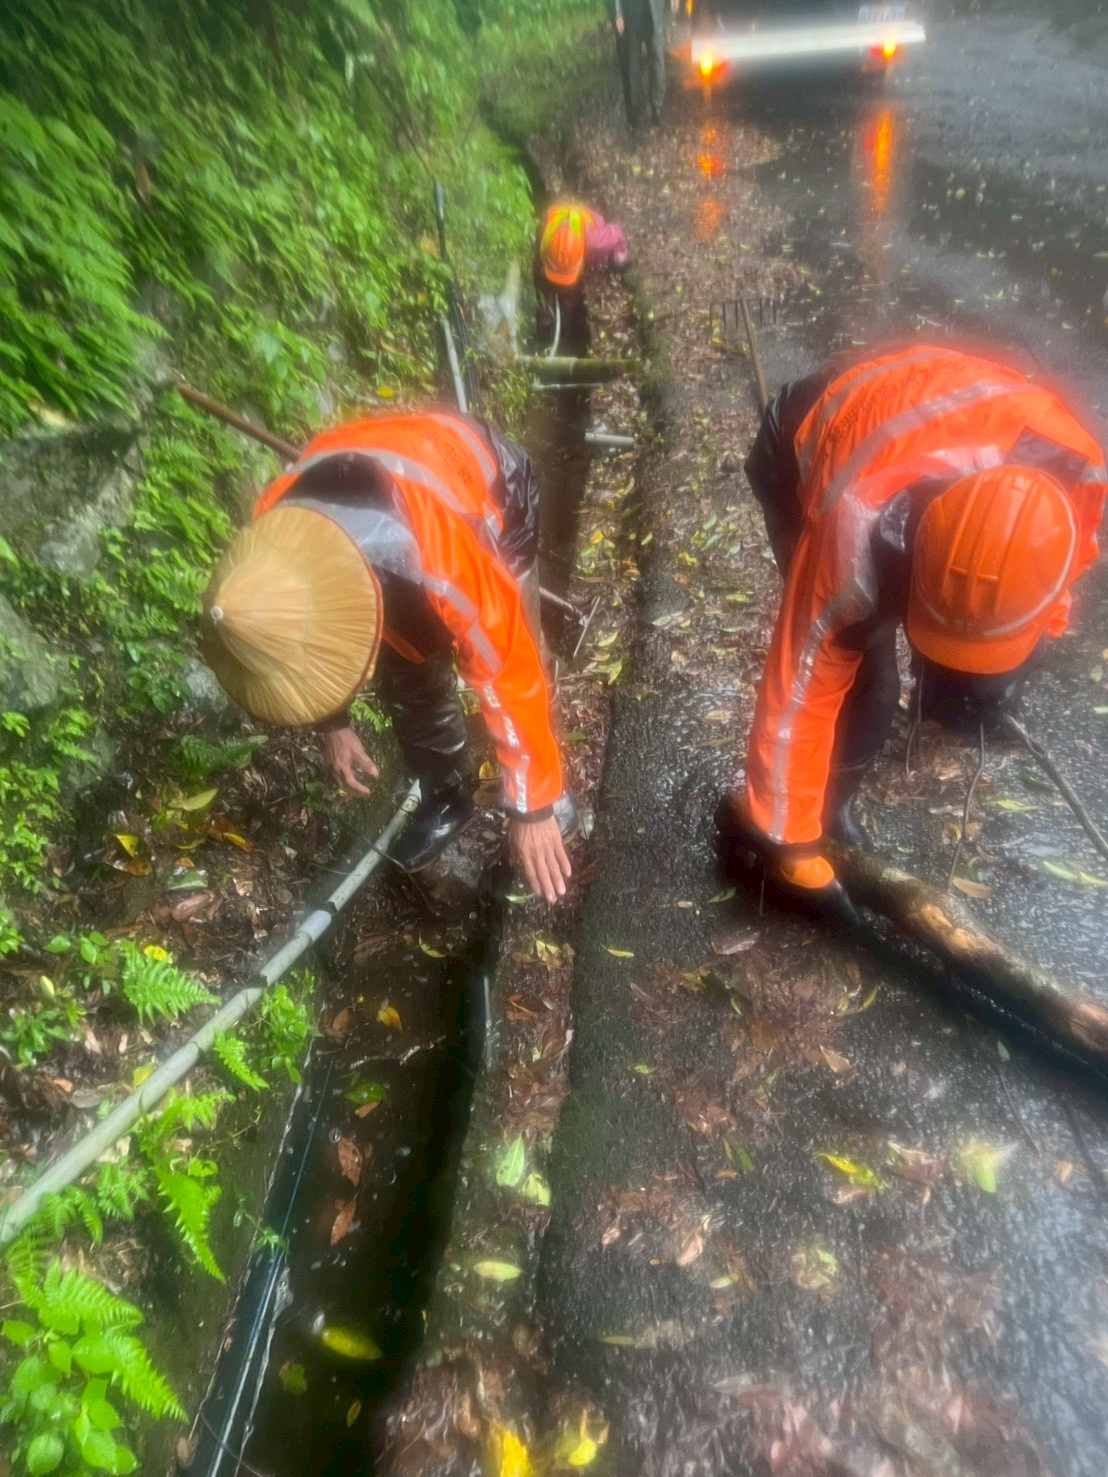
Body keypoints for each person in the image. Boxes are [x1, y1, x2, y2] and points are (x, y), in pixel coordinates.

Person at [718, 343, 1107, 919]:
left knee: (925, 663)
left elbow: (1059, 571)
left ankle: (833, 799)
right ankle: (820, 812)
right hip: (797, 440)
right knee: (868, 663)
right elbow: (801, 679)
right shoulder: (854, 525)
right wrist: (789, 842)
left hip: (926, 413)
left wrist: (1025, 647)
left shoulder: (1075, 472)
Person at [200, 411, 577, 904]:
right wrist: (332, 723)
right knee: (406, 670)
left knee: (521, 640)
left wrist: (533, 809)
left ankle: (553, 787)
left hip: (485, 476)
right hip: (378, 503)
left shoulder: (445, 560)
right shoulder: (269, 551)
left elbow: (508, 668)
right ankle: (447, 794)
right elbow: (303, 650)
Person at [534, 202, 629, 355]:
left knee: (570, 296)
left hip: (586, 222)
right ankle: (550, 318)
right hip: (557, 217)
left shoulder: (594, 242)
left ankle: (567, 329)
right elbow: (540, 276)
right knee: (546, 287)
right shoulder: (546, 240)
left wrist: (620, 255)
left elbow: (616, 232)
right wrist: (547, 307)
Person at [608, 0, 676, 127]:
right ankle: (634, 113)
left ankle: (658, 109)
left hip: (654, 12)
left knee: (657, 61)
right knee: (632, 65)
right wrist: (618, 13)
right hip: (631, 12)